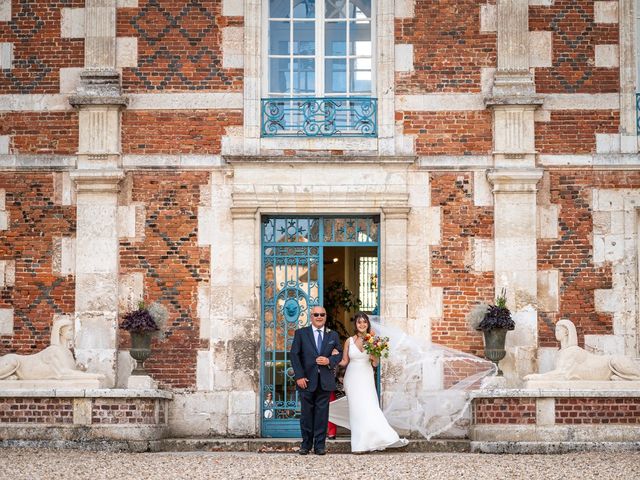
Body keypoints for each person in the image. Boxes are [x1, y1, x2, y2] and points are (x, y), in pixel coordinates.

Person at [329, 311, 408, 453]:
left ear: (368, 324)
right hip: (352, 378)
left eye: (364, 322)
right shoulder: (349, 341)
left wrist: (375, 354)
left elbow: (375, 364)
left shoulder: (373, 340)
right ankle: (359, 444)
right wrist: (332, 357)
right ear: (356, 324)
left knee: (369, 406)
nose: (362, 324)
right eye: (359, 322)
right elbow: (345, 361)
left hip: (366, 377)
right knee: (356, 410)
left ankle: (377, 438)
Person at [289, 305, 343, 455]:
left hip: (325, 381)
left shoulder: (333, 335)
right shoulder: (301, 333)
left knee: (322, 415)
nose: (319, 317)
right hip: (306, 380)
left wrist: (329, 360)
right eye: (316, 314)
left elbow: (339, 354)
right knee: (306, 414)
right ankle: (306, 445)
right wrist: (299, 376)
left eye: (322, 314)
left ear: (326, 316)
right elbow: (294, 355)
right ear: (311, 317)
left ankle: (320, 446)